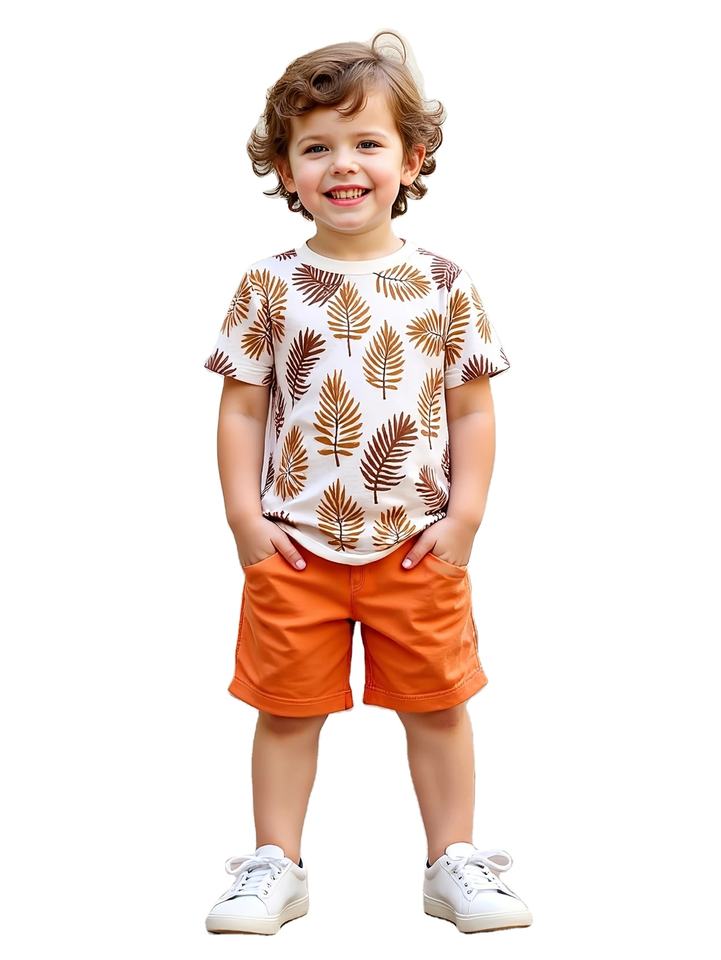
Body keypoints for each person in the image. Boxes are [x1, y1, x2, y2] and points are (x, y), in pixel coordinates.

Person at [202, 29, 532, 936]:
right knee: (284, 712)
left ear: (410, 159)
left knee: (438, 707)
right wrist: (244, 520)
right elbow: (242, 409)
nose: (341, 164)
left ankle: (453, 859)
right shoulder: (267, 286)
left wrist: (464, 520)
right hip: (295, 548)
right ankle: (275, 864)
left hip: (416, 545)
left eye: (366, 142)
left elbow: (471, 409)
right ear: (284, 167)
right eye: (315, 146)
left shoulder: (443, 284)